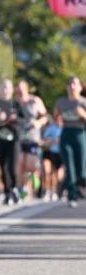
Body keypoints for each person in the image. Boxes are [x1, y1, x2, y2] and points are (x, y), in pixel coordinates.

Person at [54, 76, 86, 207]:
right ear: (67, 87)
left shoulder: (83, 102)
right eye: (70, 84)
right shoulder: (61, 102)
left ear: (80, 87)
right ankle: (72, 196)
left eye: (75, 84)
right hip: (66, 134)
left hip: (80, 134)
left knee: (82, 171)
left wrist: (83, 114)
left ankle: (80, 188)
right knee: (69, 167)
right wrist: (58, 120)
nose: (72, 86)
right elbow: (56, 118)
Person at [0, 79, 21, 204]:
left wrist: (13, 119)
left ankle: (14, 188)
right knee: (2, 167)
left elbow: (23, 121)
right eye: (3, 87)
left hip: (13, 141)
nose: (5, 90)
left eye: (7, 87)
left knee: (12, 167)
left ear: (11, 89)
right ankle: (7, 192)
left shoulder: (16, 104)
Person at [40, 116, 62, 201]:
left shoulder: (65, 128)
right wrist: (52, 141)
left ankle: (54, 191)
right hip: (49, 152)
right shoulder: (51, 128)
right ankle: (47, 191)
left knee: (56, 174)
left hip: (60, 153)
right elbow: (44, 140)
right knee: (47, 172)